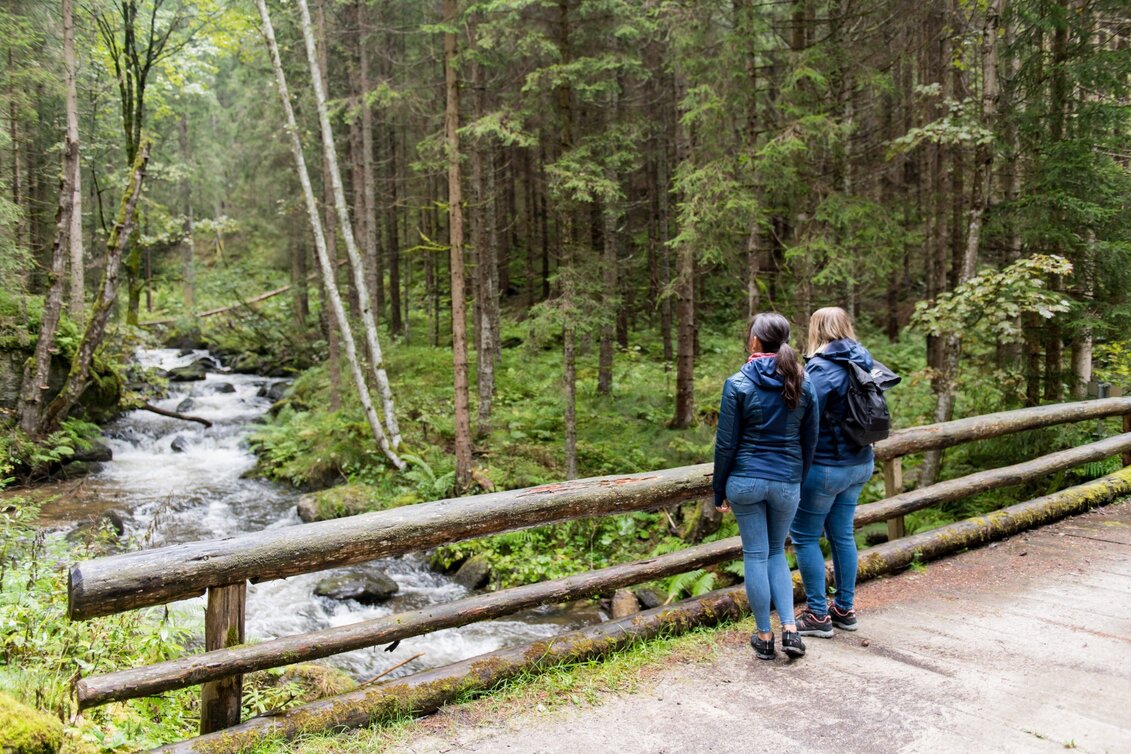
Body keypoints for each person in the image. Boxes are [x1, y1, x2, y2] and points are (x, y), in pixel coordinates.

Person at [713, 313, 819, 660]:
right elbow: (810, 441)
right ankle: (790, 628)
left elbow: (726, 444)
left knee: (756, 555)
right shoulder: (804, 381)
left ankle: (764, 635)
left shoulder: (738, 382)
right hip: (787, 480)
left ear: (755, 341)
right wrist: (796, 481)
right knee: (777, 553)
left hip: (744, 479)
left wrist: (719, 490)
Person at [790, 306, 876, 638]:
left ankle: (817, 614)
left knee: (806, 536)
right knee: (842, 534)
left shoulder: (821, 371)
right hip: (861, 462)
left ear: (816, 331)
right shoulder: (863, 361)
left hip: (827, 467)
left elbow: (803, 417)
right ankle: (844, 608)